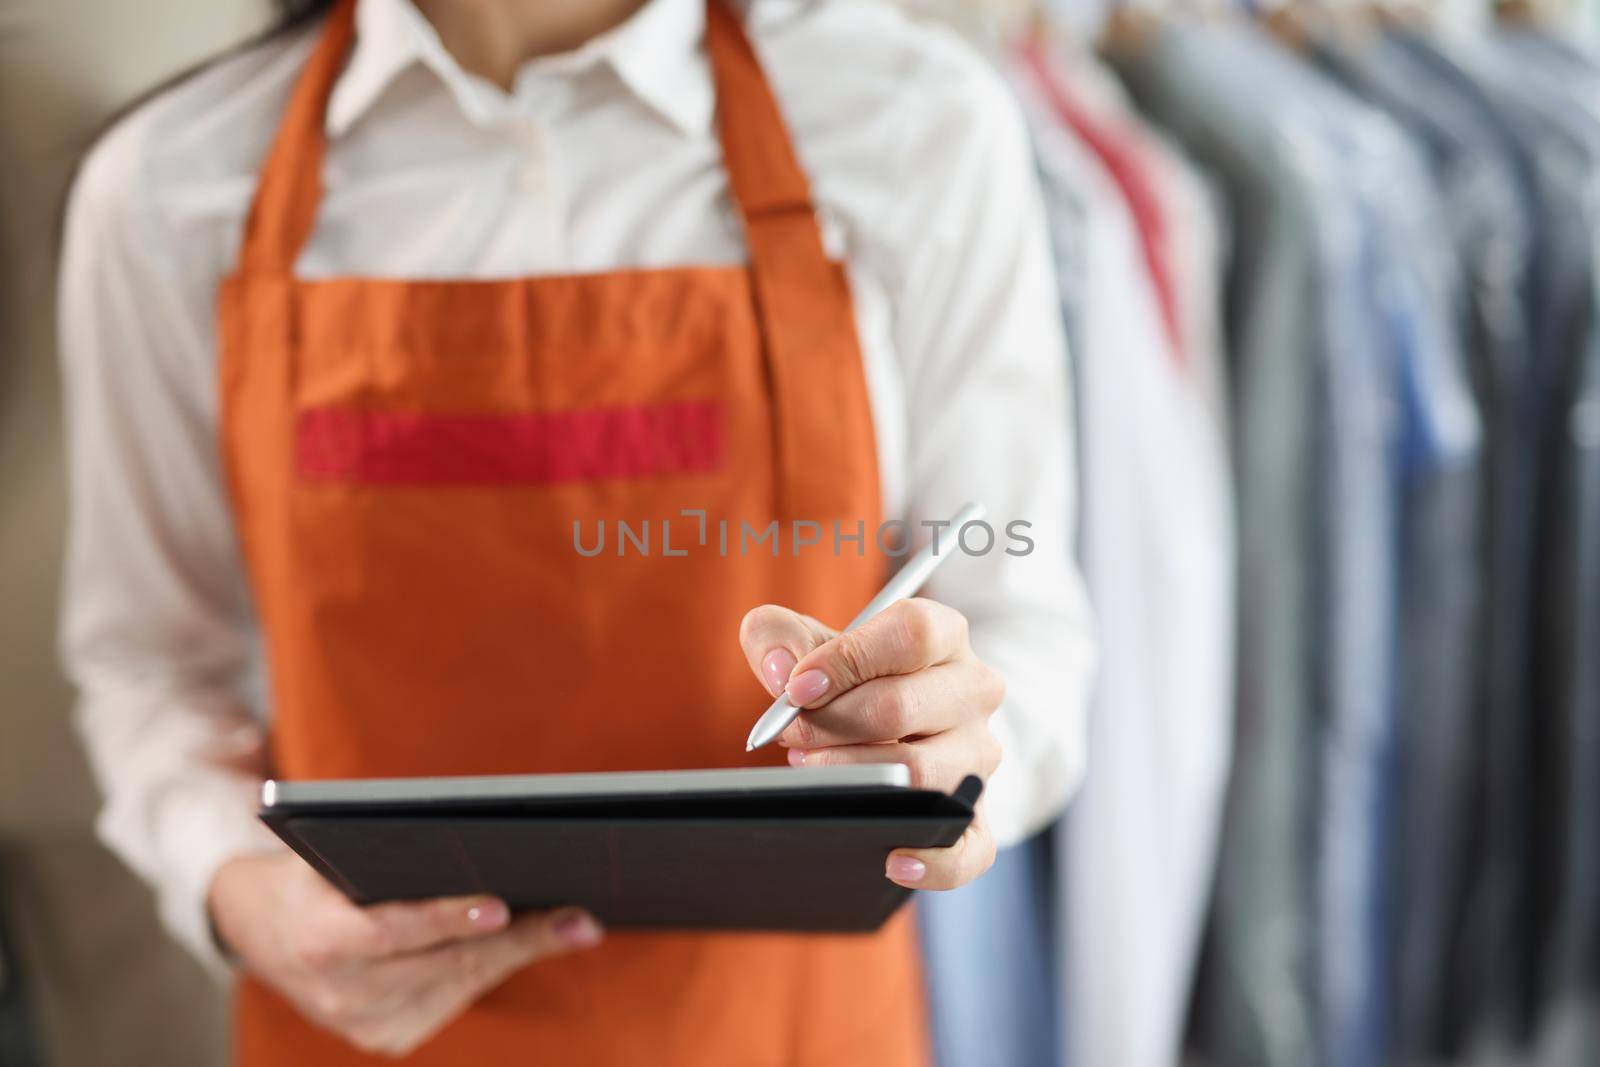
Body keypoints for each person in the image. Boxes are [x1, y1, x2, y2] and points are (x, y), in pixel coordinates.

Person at [58, 0, 1094, 1061]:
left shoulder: (917, 125)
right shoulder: (168, 187)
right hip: (370, 1031)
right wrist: (236, 889)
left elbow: (1023, 623)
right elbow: (152, 660)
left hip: (787, 1028)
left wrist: (958, 753)